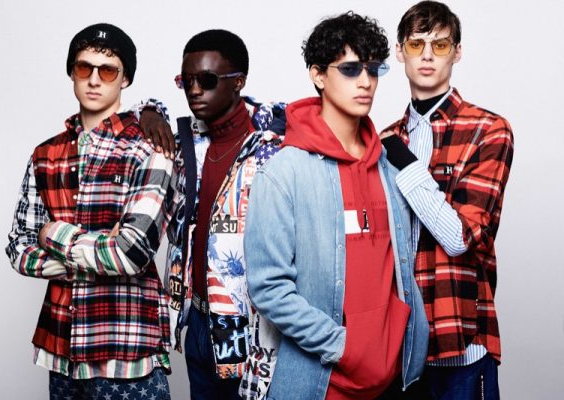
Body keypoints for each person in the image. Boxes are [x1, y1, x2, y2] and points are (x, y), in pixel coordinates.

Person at [243, 12, 429, 400]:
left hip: (394, 380)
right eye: (350, 69)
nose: (365, 81)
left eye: (373, 69)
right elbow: (268, 287)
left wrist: (401, 343)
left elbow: (404, 268)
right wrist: (344, 347)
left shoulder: (390, 168)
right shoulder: (283, 173)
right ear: (318, 75)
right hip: (319, 382)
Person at [6, 23, 175, 400]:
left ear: (125, 79)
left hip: (125, 346)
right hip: (60, 347)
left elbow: (131, 254)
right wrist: (97, 254)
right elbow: (17, 248)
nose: (94, 80)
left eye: (108, 70)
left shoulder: (150, 149)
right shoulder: (45, 154)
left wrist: (52, 234)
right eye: (84, 67)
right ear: (72, 73)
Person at [380, 2, 514, 398]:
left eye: (439, 46)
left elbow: (459, 237)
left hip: (461, 349)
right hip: (399, 349)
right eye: (416, 44)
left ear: (457, 52)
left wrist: (403, 162)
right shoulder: (384, 139)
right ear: (400, 51)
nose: (426, 56)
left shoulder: (488, 130)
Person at [144, 29, 285, 400]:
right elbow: (118, 117)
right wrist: (150, 111)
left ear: (238, 82)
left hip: (252, 326)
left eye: (206, 80)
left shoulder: (275, 144)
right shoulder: (184, 142)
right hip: (197, 321)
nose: (194, 90)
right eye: (186, 80)